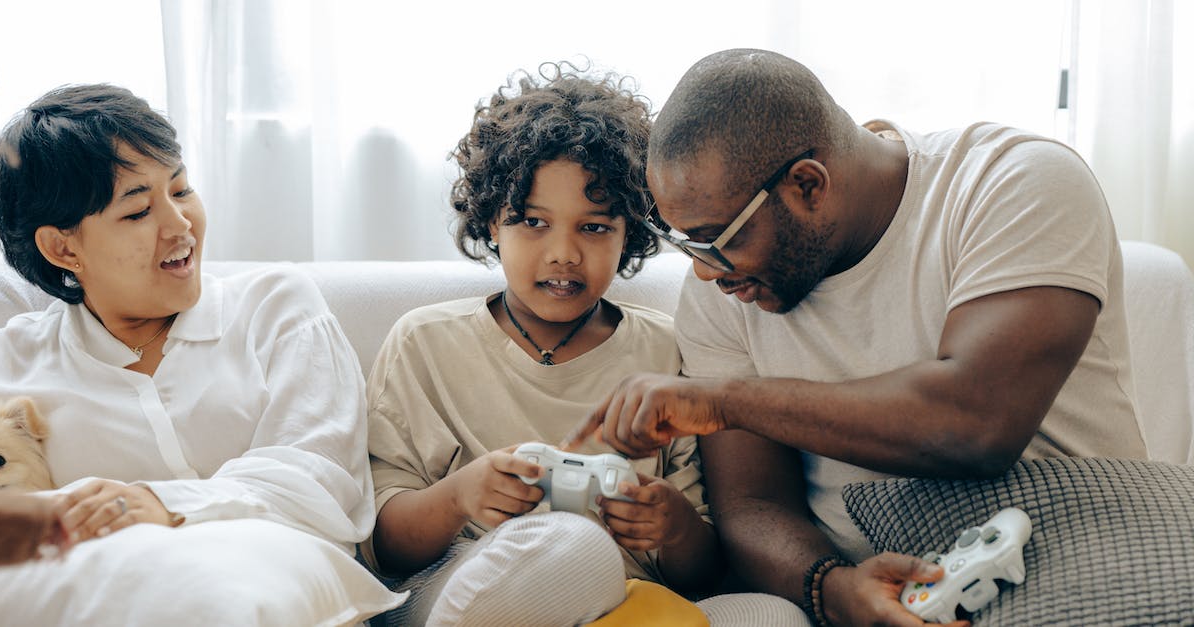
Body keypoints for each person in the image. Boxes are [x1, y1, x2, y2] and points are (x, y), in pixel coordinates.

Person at [564, 48, 1148, 627]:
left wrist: (725, 401)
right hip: (880, 601)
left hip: (1084, 561)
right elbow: (753, 504)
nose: (705, 270)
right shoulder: (724, 297)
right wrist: (831, 587)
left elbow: (975, 424)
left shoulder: (1011, 183)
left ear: (808, 186)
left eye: (718, 239)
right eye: (688, 243)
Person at [364, 64, 801, 627]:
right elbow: (382, 547)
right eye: (532, 222)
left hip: (633, 603)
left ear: (632, 233)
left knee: (772, 615)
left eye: (594, 228)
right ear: (492, 225)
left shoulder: (668, 353)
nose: (564, 253)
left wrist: (672, 525)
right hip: (470, 585)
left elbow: (703, 573)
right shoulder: (424, 343)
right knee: (571, 547)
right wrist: (459, 497)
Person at [0, 84, 402, 623]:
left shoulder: (275, 305)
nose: (179, 224)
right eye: (138, 212)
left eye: (182, 191)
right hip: (98, 593)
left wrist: (164, 504)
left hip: (277, 580)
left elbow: (321, 478)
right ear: (63, 248)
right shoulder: (12, 362)